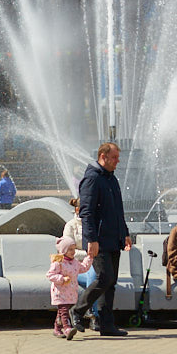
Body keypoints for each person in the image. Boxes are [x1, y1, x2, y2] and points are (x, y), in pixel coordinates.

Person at [70, 142, 131, 337]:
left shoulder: (111, 178)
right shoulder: (92, 178)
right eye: (114, 158)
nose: (117, 161)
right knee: (104, 277)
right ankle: (78, 311)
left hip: (114, 237)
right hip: (99, 239)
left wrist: (125, 233)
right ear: (103, 157)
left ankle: (107, 324)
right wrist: (91, 240)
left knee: (110, 281)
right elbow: (86, 212)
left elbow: (118, 210)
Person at [62, 197, 100, 328]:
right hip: (74, 269)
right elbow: (68, 252)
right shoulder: (70, 226)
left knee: (94, 276)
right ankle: (93, 315)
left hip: (91, 266)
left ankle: (90, 311)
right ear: (78, 210)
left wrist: (92, 253)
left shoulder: (95, 224)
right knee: (93, 277)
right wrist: (89, 253)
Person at [47, 236, 93, 339]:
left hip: (70, 292)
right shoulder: (58, 262)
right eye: (70, 249)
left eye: (74, 249)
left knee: (61, 312)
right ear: (64, 250)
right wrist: (61, 279)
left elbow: (83, 268)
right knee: (64, 311)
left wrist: (89, 258)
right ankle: (67, 328)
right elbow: (50, 275)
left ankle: (57, 329)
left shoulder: (74, 262)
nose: (73, 252)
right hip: (60, 292)